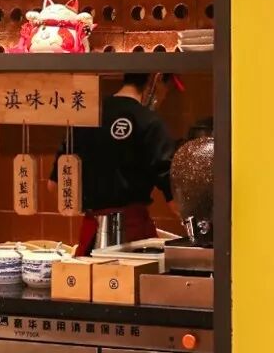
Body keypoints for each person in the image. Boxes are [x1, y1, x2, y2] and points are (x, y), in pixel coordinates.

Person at [49, 74, 178, 255]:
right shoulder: (150, 122)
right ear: (155, 79)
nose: (164, 96)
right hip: (132, 238)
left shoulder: (86, 116)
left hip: (92, 237)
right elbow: (175, 199)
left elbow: (53, 185)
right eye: (167, 89)